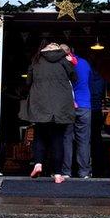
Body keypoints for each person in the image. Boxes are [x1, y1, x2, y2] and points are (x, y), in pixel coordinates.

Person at [24, 41, 76, 184]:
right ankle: (58, 174)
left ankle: (38, 164)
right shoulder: (64, 59)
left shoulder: (36, 60)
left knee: (39, 135)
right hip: (61, 105)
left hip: (40, 104)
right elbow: (74, 78)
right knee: (58, 139)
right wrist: (70, 63)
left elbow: (28, 81)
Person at [60, 44, 92, 178]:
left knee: (66, 139)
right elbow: (89, 81)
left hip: (68, 105)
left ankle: (66, 172)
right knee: (84, 140)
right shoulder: (84, 63)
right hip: (85, 105)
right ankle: (84, 172)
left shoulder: (62, 64)